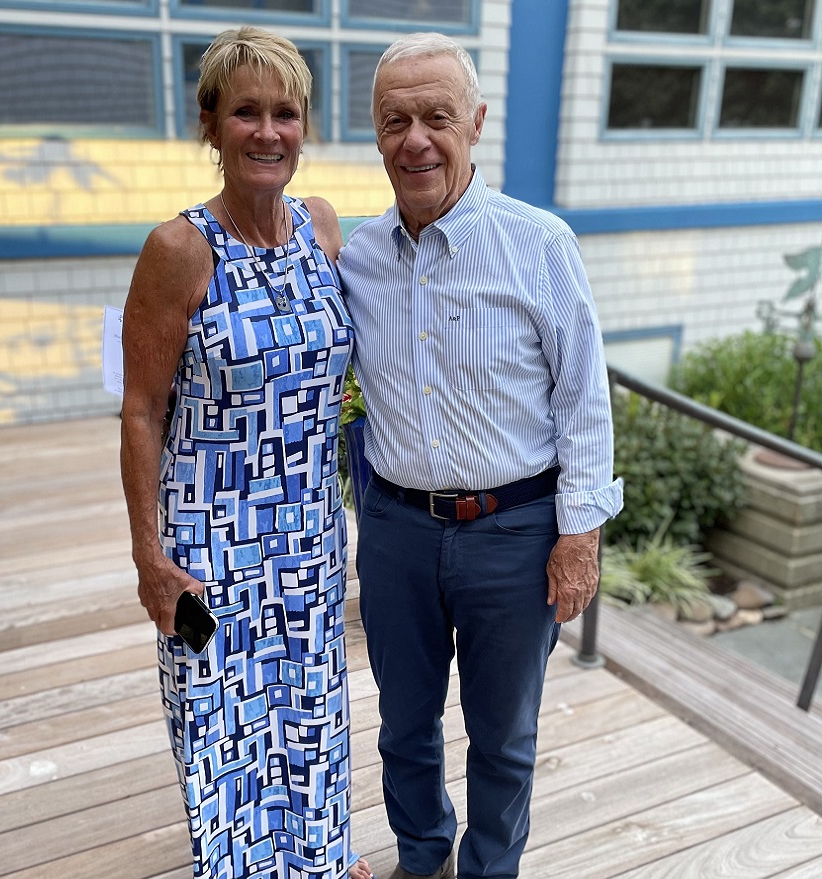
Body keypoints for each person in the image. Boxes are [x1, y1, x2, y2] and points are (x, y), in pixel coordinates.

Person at [337, 33, 623, 879]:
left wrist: (579, 534)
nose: (415, 140)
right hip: (395, 527)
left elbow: (583, 399)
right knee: (403, 724)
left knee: (503, 735)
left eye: (436, 116)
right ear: (375, 133)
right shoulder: (355, 255)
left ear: (476, 123)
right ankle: (421, 856)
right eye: (395, 121)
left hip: (515, 532)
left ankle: (489, 870)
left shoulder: (539, 244)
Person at [120, 26, 371, 879]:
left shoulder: (322, 227)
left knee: (310, 709)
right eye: (246, 112)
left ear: (304, 126)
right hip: (211, 543)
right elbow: (142, 411)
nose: (268, 131)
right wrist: (149, 558)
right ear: (210, 125)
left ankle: (321, 856)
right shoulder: (179, 249)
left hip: (307, 533)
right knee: (221, 730)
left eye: (285, 113)